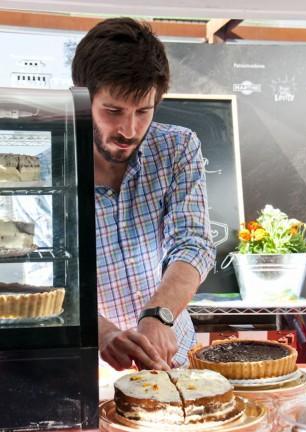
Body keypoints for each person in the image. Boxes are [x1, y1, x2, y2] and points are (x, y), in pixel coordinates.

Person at [72, 17, 215, 371]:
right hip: (90, 368)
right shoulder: (52, 164)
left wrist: (159, 315)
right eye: (113, 110)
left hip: (172, 356)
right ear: (83, 98)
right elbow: (43, 282)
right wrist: (102, 332)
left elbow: (193, 242)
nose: (129, 129)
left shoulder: (177, 147)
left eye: (143, 111)